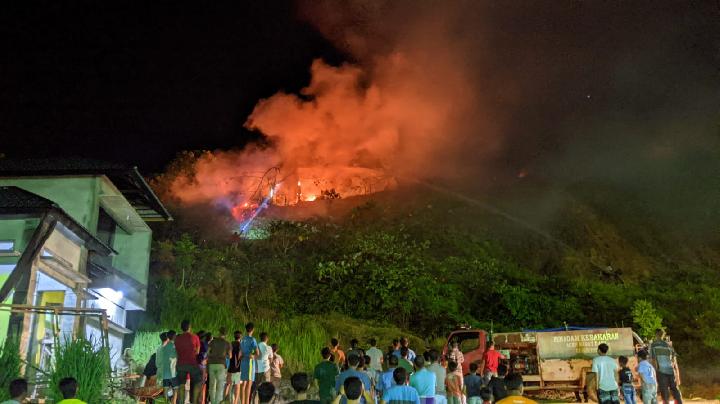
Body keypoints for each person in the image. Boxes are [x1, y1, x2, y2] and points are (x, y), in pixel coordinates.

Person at [649, 330, 682, 404]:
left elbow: (654, 360)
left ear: (656, 334)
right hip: (671, 370)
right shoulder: (669, 346)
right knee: (674, 389)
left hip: (661, 371)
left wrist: (655, 373)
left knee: (664, 391)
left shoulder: (654, 345)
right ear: (663, 335)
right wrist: (677, 375)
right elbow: (674, 362)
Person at [175, 319, 202, 404]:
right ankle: (194, 401)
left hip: (181, 364)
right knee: (197, 381)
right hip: (192, 363)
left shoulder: (177, 338)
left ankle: (181, 402)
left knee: (181, 385)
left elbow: (176, 352)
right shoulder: (195, 337)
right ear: (189, 327)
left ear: (181, 328)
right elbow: (197, 352)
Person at [207, 327, 232, 404]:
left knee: (212, 385)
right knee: (220, 386)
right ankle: (218, 402)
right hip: (221, 365)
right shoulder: (227, 343)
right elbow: (230, 356)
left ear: (219, 332)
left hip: (212, 364)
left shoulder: (213, 341)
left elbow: (208, 352)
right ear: (226, 334)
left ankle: (213, 402)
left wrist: (213, 355)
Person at [240, 322, 260, 404]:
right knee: (249, 385)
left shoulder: (242, 339)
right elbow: (257, 353)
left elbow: (240, 353)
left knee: (243, 385)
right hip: (250, 363)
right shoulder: (253, 340)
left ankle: (242, 402)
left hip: (243, 362)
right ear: (253, 330)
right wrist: (253, 356)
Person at [159, 330, 179, 404]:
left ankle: (165, 402)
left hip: (165, 372)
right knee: (175, 389)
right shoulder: (174, 346)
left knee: (166, 389)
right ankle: (173, 402)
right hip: (173, 372)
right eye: (176, 335)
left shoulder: (163, 347)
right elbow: (176, 357)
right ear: (174, 336)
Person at [226, 330, 243, 404]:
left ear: (234, 336)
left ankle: (225, 399)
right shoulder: (241, 345)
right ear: (240, 337)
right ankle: (235, 402)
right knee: (237, 386)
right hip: (238, 368)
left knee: (228, 384)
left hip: (230, 367)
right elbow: (240, 356)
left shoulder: (230, 344)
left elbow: (228, 355)